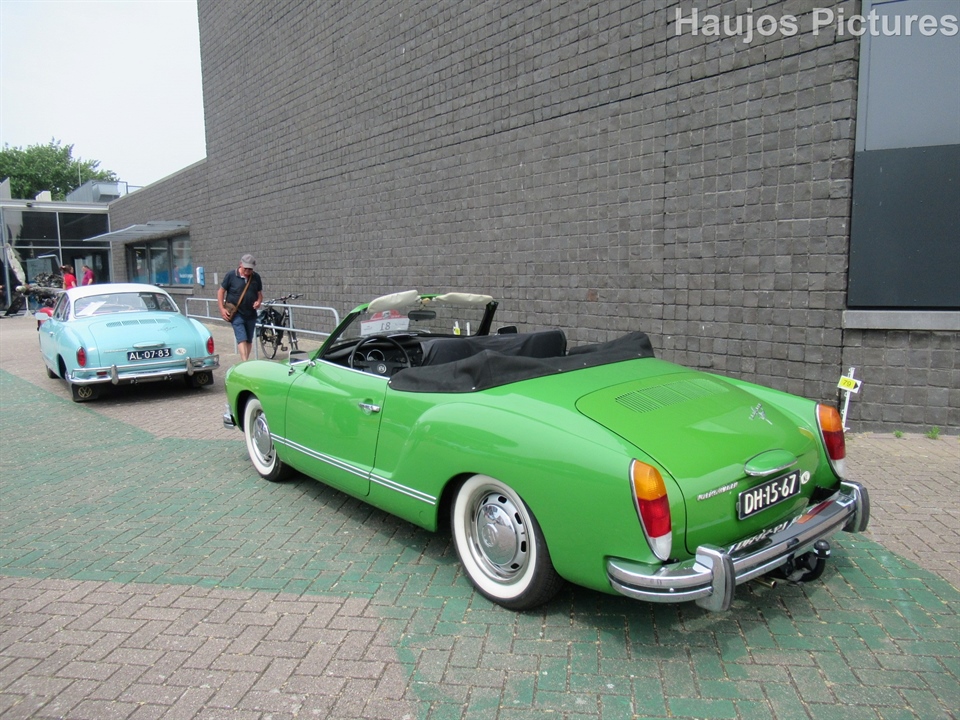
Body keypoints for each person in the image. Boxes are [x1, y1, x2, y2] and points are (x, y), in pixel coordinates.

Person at [218, 253, 263, 361]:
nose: (247, 271)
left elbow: (260, 294)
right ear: (240, 264)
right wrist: (222, 309)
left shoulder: (256, 277)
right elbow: (220, 292)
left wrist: (258, 302)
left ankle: (245, 362)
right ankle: (244, 361)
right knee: (241, 338)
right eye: (245, 268)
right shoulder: (231, 275)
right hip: (236, 313)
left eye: (250, 269)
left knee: (248, 339)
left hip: (250, 313)